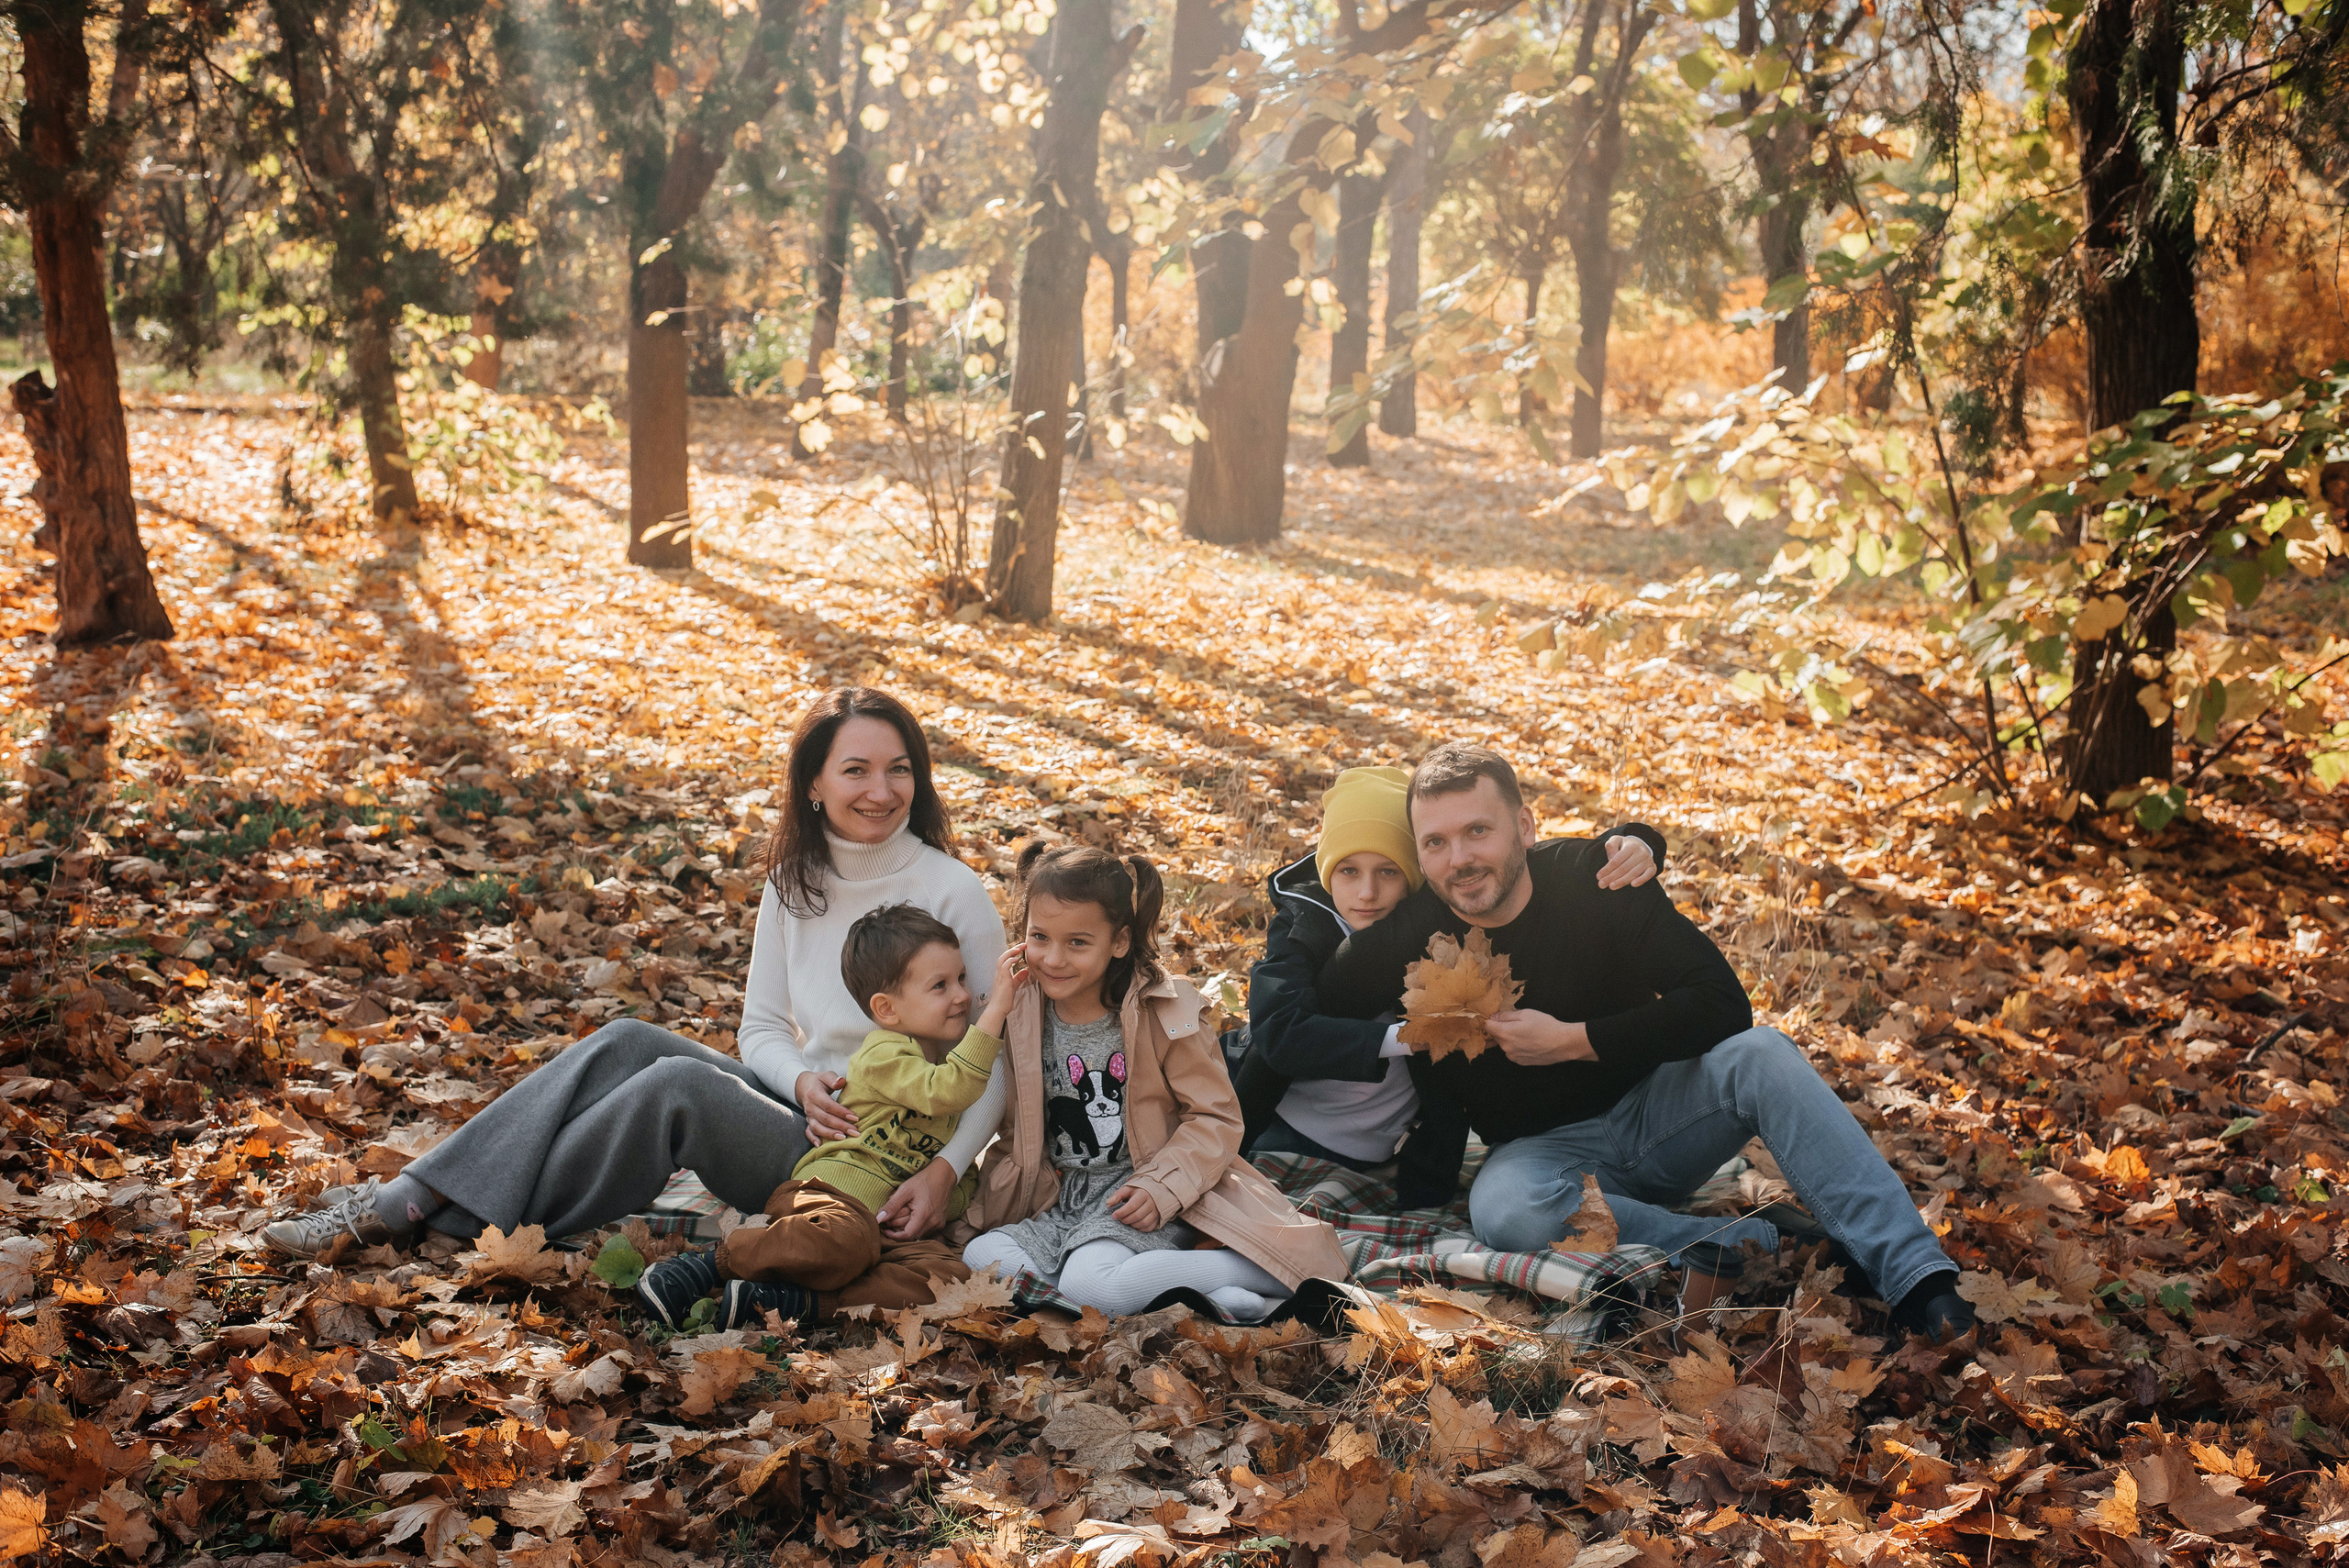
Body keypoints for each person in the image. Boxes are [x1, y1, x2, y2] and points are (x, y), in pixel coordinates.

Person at [263, 687, 1007, 1261]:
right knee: (625, 1040)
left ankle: (429, 1209)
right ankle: (422, 1192)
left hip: (863, 1152)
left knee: (675, 1090)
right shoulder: (794, 882)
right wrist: (800, 1083)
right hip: (808, 1108)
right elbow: (763, 1029)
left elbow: (996, 1052)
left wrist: (944, 1169)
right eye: (856, 770)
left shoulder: (951, 889)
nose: (881, 790)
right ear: (814, 783)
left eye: (898, 770)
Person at [1315, 741, 1975, 1341]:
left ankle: (1919, 1279)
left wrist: (1574, 1040)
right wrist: (1304, 899)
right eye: (1435, 843)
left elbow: (1722, 1003)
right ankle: (1752, 1243)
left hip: (1663, 1114)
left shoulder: (1596, 879)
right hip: (1545, 1161)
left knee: (1763, 1054)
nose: (1459, 860)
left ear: (1524, 826)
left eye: (1477, 831)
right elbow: (1312, 992)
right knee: (1500, 1206)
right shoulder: (1412, 933)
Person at [1235, 766, 1665, 1210]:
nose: (1367, 892)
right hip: (1282, 1128)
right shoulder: (1303, 927)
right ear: (1328, 873)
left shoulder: (1434, 919)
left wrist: (1638, 841)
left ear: (1417, 871)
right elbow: (1278, 1034)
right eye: (1348, 871)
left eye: (1388, 871)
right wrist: (1410, 1038)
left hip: (1382, 1151)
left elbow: (1532, 861)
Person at [959, 845, 1348, 1321]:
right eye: (1039, 936)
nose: (1054, 958)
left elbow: (1215, 1116)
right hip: (1063, 1199)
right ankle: (1199, 1297)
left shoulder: (1163, 1014)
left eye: (1078, 942)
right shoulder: (1018, 1009)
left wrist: (1161, 1189)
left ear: (1119, 941)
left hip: (1143, 1194)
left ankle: (1253, 1270)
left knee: (1086, 1282)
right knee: (982, 1257)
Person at [636, 904, 1030, 1329]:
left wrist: (949, 1203)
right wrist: (995, 1015)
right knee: (844, 1242)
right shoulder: (885, 1054)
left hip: (885, 1233)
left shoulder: (947, 1064)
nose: (963, 996)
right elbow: (945, 1090)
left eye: (962, 979)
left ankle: (793, 1304)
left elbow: (946, 1167)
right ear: (887, 1009)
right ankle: (710, 1265)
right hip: (829, 1201)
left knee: (948, 1280)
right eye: (941, 986)